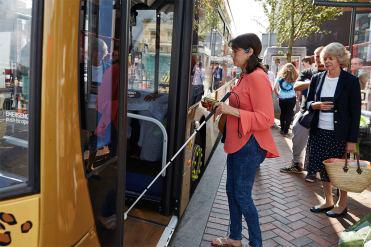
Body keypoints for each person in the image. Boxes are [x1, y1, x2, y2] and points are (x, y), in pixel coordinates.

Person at [209, 33, 279, 247]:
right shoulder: (246, 76)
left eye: (235, 51)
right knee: (232, 192)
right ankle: (235, 238)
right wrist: (219, 107)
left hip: (250, 144)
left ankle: (255, 243)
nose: (232, 55)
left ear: (249, 52)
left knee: (241, 194)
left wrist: (230, 109)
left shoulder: (257, 77)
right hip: (239, 141)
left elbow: (266, 119)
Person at [306, 42, 361, 217]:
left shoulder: (350, 81)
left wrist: (352, 140)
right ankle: (328, 201)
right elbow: (307, 103)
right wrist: (314, 105)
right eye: (326, 58)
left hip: (340, 135)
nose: (327, 61)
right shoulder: (317, 78)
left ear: (340, 59)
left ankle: (342, 204)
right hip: (319, 131)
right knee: (324, 169)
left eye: (331, 58)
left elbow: (355, 112)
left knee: (340, 170)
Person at [280, 46, 325, 182]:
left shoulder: (332, 73)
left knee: (319, 142)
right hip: (306, 111)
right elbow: (296, 86)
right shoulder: (308, 72)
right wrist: (314, 81)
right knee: (297, 132)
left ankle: (315, 170)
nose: (318, 58)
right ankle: (296, 163)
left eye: (320, 55)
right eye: (316, 55)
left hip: (324, 113)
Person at [274, 63, 298, 136]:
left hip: (282, 98)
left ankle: (282, 129)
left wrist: (279, 94)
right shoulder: (295, 77)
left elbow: (275, 88)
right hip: (292, 98)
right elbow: (297, 88)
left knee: (283, 113)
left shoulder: (280, 78)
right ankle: (286, 130)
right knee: (289, 113)